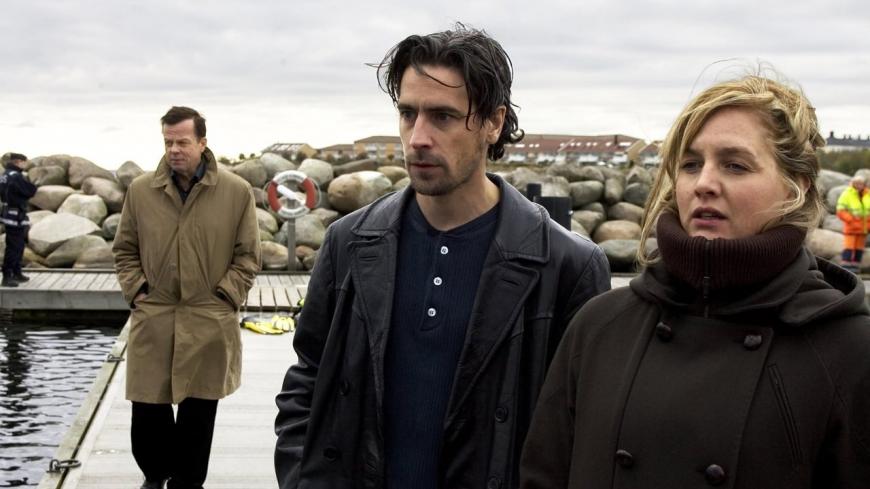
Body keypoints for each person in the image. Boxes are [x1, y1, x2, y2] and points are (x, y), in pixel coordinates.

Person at [274, 25, 611, 489]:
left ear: (493, 122)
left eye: (443, 117)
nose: (417, 137)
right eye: (407, 113)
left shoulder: (567, 265)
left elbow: (583, 429)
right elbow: (308, 379)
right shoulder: (348, 243)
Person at [520, 74, 870, 488]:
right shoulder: (599, 327)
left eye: (735, 165)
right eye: (690, 165)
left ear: (797, 185)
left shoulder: (849, 350)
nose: (704, 183)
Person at [113, 106, 261, 489]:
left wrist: (226, 296)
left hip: (208, 317)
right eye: (168, 142)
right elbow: (124, 250)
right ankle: (153, 476)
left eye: (182, 142)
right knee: (148, 408)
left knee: (199, 411)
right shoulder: (141, 191)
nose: (174, 150)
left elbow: (248, 256)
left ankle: (188, 484)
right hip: (155, 314)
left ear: (202, 142)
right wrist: (137, 290)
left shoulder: (235, 192)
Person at [1, 152, 36, 287]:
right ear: (18, 162)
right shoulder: (16, 176)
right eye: (24, 162)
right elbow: (30, 191)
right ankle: (8, 276)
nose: (25, 164)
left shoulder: (5, 175)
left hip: (9, 213)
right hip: (15, 215)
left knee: (18, 245)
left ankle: (16, 272)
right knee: (14, 246)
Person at [836, 175, 870, 272]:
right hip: (851, 228)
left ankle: (856, 268)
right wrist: (851, 220)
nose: (859, 185)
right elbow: (840, 211)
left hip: (864, 228)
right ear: (853, 184)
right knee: (849, 248)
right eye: (857, 183)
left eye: (861, 183)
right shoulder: (847, 194)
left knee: (859, 249)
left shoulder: (868, 194)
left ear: (864, 184)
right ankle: (846, 269)